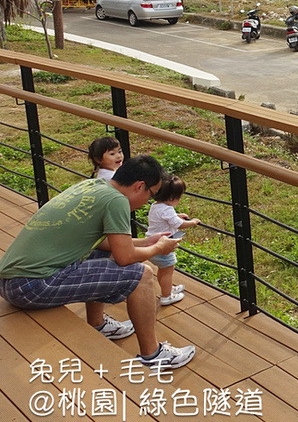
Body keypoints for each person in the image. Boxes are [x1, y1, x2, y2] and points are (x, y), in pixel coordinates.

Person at [0, 155, 196, 369]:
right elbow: (126, 257)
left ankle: (98, 324)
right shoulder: (117, 201)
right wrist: (159, 248)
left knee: (101, 254)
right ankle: (153, 354)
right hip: (32, 286)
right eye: (151, 195)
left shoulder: (95, 186)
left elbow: (105, 243)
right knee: (143, 274)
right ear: (140, 186)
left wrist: (147, 241)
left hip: (12, 281)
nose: (147, 203)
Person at [147, 175, 200, 307]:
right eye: (179, 197)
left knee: (162, 270)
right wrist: (192, 222)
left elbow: (167, 217)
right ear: (171, 198)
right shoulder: (167, 209)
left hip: (151, 242)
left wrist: (177, 215)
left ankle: (167, 288)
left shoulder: (155, 206)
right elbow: (179, 225)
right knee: (167, 271)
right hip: (163, 246)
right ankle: (166, 296)